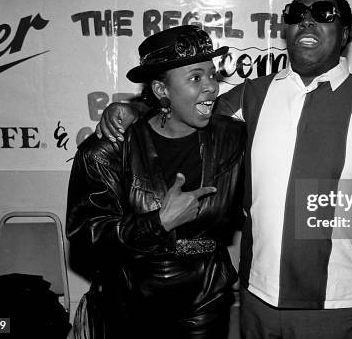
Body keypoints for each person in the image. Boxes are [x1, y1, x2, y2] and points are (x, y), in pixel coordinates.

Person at [95, 0, 352, 339]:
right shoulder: (255, 94)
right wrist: (135, 109)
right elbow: (188, 112)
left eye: (323, 14)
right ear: (286, 29)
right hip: (255, 298)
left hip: (333, 304)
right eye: (296, 16)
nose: (307, 23)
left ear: (345, 33)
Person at [66, 25, 246, 339]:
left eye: (212, 75)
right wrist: (157, 222)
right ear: (161, 90)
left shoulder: (233, 139)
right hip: (127, 301)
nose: (211, 87)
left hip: (205, 300)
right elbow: (85, 236)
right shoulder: (108, 149)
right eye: (195, 78)